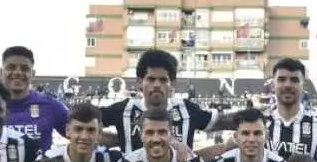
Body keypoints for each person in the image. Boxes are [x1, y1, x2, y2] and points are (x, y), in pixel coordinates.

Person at [98, 49, 236, 155]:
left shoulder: (187, 110)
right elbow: (86, 124)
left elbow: (226, 121)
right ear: (140, 82)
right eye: (151, 79)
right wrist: (120, 139)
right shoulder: (123, 110)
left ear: (172, 84)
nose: (157, 85)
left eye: (163, 80)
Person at [0, 46, 68, 151]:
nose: (17, 72)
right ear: (1, 72)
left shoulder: (50, 105)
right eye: (11, 67)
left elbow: (76, 134)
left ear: (33, 74)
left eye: (24, 69)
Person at [264, 58, 317, 161]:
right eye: (281, 79)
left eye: (294, 80)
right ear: (273, 85)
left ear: (303, 85)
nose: (288, 85)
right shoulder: (262, 123)